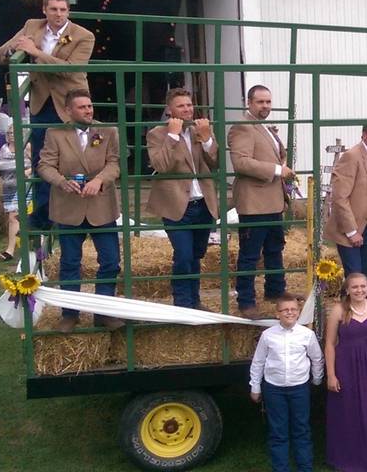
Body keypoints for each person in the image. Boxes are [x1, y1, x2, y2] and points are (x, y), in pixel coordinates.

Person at [0, 0, 94, 229]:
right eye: (53, 9)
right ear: (44, 10)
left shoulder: (84, 35)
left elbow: (71, 69)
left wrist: (35, 52)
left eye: (63, 10)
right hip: (42, 101)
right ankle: (44, 214)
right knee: (43, 159)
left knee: (78, 156)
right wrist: (15, 50)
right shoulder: (32, 26)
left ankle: (82, 213)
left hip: (72, 103)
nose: (58, 14)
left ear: (68, 11)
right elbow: (0, 55)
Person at [36, 89, 122, 332]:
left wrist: (100, 181)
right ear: (68, 111)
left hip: (101, 206)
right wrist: (62, 181)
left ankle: (103, 312)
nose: (89, 110)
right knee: (70, 263)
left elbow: (114, 162)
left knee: (111, 261)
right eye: (83, 107)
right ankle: (70, 314)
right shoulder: (55, 133)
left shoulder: (107, 130)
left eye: (90, 106)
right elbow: (44, 165)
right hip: (68, 206)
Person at [145, 88, 218, 309]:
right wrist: (173, 136)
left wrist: (206, 140)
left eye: (189, 105)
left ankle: (194, 301)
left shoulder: (202, 129)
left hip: (203, 204)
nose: (187, 109)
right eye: (181, 106)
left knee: (196, 254)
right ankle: (182, 303)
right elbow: (161, 165)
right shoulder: (156, 134)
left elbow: (216, 164)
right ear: (169, 110)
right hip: (177, 205)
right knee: (184, 256)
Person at [228, 85, 293, 319]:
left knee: (275, 249)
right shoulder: (242, 127)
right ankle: (246, 301)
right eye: (260, 102)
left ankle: (275, 291)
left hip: (272, 200)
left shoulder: (263, 127)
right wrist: (277, 170)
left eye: (268, 102)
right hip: (254, 202)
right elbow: (241, 163)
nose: (265, 106)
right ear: (249, 102)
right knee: (250, 254)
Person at [324, 273, 367, 472]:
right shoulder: (339, 309)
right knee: (347, 410)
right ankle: (347, 459)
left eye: (363, 286)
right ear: (347, 289)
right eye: (355, 287)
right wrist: (331, 374)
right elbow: (329, 344)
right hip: (344, 365)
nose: (360, 290)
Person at [249, 293, 325, 472]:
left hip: (299, 388)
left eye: (293, 309)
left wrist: (317, 379)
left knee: (301, 429)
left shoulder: (307, 334)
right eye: (285, 310)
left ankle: (305, 467)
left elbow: (317, 358)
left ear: (298, 313)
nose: (289, 313)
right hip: (274, 389)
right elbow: (258, 361)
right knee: (278, 432)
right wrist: (255, 386)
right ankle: (281, 468)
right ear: (277, 314)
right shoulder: (268, 335)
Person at [324, 125, 367, 277]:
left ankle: (355, 301)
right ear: (364, 135)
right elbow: (339, 197)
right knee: (355, 274)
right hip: (350, 227)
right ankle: (351, 301)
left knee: (364, 273)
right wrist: (352, 231)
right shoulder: (352, 156)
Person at [0, 128, 31, 262]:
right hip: (8, 188)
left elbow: (38, 163)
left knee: (15, 217)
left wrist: (28, 172)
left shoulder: (27, 147)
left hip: (24, 187)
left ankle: (11, 250)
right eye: (9, 133)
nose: (12, 136)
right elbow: (3, 167)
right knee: (13, 219)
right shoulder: (3, 149)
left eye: (14, 133)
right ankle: (17, 249)